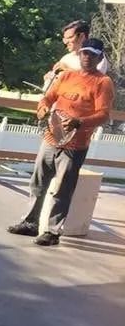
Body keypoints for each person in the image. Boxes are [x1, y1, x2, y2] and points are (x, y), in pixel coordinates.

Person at [8, 38, 114, 246]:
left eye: (92, 54)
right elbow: (47, 98)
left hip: (75, 145)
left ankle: (52, 231)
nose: (87, 57)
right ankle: (30, 223)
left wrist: (79, 122)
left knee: (62, 189)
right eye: (84, 52)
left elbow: (103, 115)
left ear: (100, 57)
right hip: (50, 138)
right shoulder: (66, 76)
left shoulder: (103, 82)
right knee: (38, 183)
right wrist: (43, 109)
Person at [43, 20, 108, 89]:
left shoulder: (97, 58)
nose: (66, 42)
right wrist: (50, 78)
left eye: (70, 38)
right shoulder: (66, 58)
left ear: (82, 36)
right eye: (64, 39)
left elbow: (92, 83)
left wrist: (67, 69)